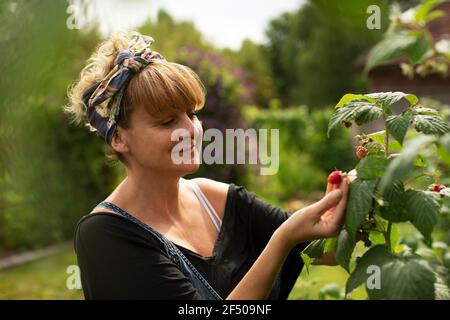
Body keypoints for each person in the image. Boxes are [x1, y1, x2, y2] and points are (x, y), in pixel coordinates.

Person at [66, 31, 350, 300]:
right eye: (167, 121)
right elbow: (290, 238)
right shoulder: (104, 236)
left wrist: (366, 186)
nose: (191, 130)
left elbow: (323, 250)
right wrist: (283, 239)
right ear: (118, 138)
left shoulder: (214, 199)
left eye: (192, 114)